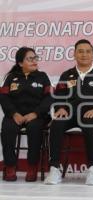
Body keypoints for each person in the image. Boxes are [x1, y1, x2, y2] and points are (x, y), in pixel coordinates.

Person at [44, 39, 93, 185]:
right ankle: (54, 169)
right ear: (74, 54)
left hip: (91, 114)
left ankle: (92, 169)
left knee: (89, 125)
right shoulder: (67, 75)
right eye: (80, 51)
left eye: (88, 51)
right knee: (56, 124)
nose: (84, 55)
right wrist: (60, 108)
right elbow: (58, 97)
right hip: (69, 114)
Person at [0, 47, 52, 182]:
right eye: (30, 59)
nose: (34, 61)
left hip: (36, 115)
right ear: (20, 63)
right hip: (15, 114)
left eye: (35, 58)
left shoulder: (43, 77)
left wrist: (36, 113)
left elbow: (49, 98)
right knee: (7, 128)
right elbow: (4, 97)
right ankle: (10, 166)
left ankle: (32, 166)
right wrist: (13, 113)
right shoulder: (12, 78)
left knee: (35, 128)